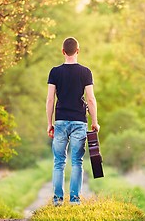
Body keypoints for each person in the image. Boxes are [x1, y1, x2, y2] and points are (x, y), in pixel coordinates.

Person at [46, 37, 100, 206]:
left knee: (58, 162)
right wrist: (95, 121)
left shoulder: (54, 72)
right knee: (77, 161)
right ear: (78, 51)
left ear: (63, 51)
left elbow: (50, 100)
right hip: (79, 122)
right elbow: (91, 99)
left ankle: (57, 200)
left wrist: (49, 123)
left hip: (60, 121)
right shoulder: (85, 72)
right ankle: (75, 200)